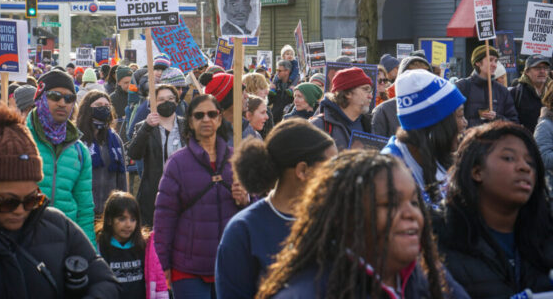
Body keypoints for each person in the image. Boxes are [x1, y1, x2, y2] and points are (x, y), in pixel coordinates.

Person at [0, 101, 120, 298]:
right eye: (9, 201)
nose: (20, 210)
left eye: (32, 200)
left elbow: (105, 281)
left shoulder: (58, 226)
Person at [256, 150, 469, 299]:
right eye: (390, 204)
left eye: (414, 202)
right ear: (346, 217)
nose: (411, 214)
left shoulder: (428, 275)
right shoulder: (307, 293)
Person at [215, 119, 336, 299]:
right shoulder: (243, 230)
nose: (337, 175)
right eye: (331, 166)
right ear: (302, 170)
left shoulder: (335, 220)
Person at [434, 121, 553, 298]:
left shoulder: (546, 233)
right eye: (508, 158)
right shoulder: (441, 239)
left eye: (530, 162)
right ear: (477, 171)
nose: (524, 167)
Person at [154, 94, 249, 298]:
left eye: (211, 114)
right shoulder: (177, 163)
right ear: (190, 121)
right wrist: (162, 263)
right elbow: (164, 217)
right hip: (188, 268)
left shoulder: (238, 161)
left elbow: (257, 210)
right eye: (199, 115)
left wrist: (247, 199)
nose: (206, 119)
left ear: (219, 118)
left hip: (230, 264)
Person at [26, 69, 96, 246]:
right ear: (40, 98)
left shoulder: (80, 151)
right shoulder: (19, 139)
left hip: (64, 242)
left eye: (69, 98)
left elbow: (85, 210)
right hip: (25, 241)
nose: (62, 103)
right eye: (55, 96)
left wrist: (90, 254)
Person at [381, 69, 467, 208]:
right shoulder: (387, 176)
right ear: (436, 124)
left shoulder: (440, 156)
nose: (465, 123)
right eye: (460, 115)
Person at [128, 84, 187, 226]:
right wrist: (147, 127)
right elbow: (134, 153)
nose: (166, 102)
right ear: (152, 103)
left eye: (170, 98)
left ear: (177, 101)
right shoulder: (144, 126)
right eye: (161, 99)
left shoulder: (187, 125)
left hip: (183, 192)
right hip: (153, 193)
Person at [97, 191, 169, 299]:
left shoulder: (145, 247)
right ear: (109, 220)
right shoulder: (100, 247)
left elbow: (158, 280)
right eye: (122, 219)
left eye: (133, 219)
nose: (128, 225)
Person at [76, 91, 128, 216]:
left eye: (107, 105)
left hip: (110, 210)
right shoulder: (77, 138)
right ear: (88, 108)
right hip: (83, 209)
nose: (104, 108)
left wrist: (123, 205)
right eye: (99, 105)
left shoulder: (114, 139)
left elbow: (121, 177)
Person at [455, 45, 518, 127]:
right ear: (478, 63)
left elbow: (514, 123)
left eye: (496, 61)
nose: (494, 65)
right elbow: (450, 118)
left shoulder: (502, 91)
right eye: (490, 60)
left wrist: (497, 118)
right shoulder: (462, 86)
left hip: (495, 139)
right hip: (470, 139)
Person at [311, 67, 373, 151]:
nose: (370, 96)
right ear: (347, 93)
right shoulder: (318, 126)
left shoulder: (370, 124)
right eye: (365, 89)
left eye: (370, 91)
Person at [371, 55, 432, 137]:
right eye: (413, 76)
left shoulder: (435, 108)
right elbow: (377, 146)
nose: (419, 81)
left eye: (425, 76)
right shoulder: (383, 111)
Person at [509, 54, 551, 133]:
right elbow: (511, 121)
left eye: (545, 68)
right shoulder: (516, 93)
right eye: (537, 68)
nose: (542, 71)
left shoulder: (551, 91)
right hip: (527, 142)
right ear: (527, 72)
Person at [243, 72, 274, 137]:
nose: (267, 92)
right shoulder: (240, 109)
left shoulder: (266, 109)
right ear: (251, 89)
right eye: (262, 88)